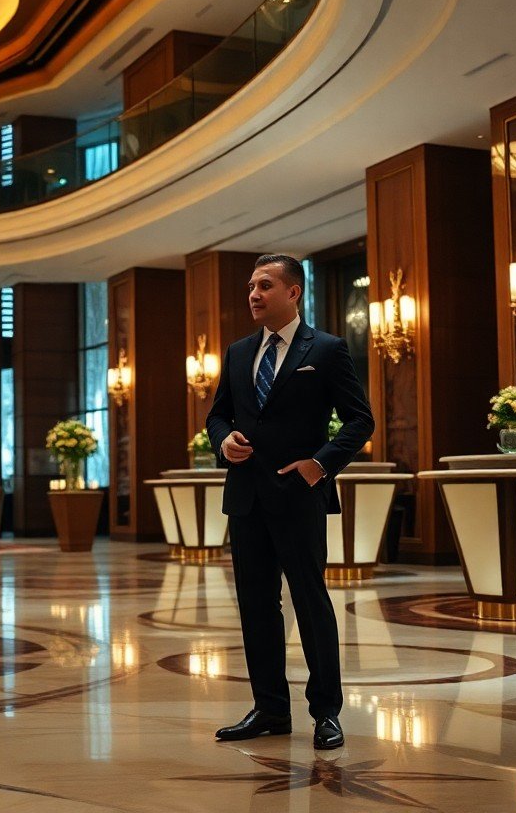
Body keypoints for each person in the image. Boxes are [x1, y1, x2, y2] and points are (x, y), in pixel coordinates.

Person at [206, 254, 373, 751]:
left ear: (293, 292)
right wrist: (223, 441)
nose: (253, 295)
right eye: (250, 287)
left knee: (310, 601)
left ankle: (326, 712)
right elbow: (218, 415)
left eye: (264, 285)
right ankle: (270, 709)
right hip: (247, 497)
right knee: (257, 606)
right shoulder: (238, 352)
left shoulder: (326, 349)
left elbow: (360, 420)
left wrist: (320, 464)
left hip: (300, 496)